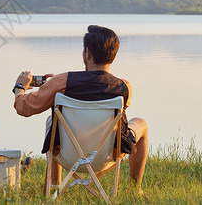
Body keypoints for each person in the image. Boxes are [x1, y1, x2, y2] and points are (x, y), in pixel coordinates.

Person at [13, 25, 148, 190]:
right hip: (107, 157)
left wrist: (20, 87)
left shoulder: (61, 83)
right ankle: (135, 189)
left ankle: (55, 184)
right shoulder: (124, 87)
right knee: (141, 123)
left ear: (88, 53)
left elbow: (23, 108)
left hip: (66, 156)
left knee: (52, 120)